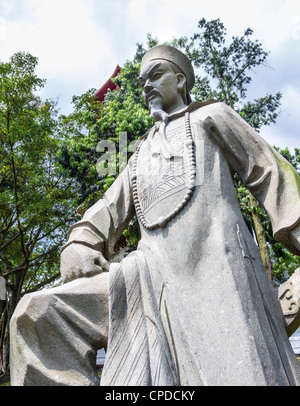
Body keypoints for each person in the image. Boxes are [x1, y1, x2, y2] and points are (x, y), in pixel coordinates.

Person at [10, 45, 300, 386]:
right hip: (145, 279)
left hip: (220, 271)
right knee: (37, 314)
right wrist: (81, 240)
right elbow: (106, 208)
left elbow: (270, 173)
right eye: (141, 79)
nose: (146, 84)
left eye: (156, 75)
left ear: (180, 80)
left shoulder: (212, 116)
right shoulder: (141, 154)